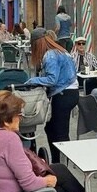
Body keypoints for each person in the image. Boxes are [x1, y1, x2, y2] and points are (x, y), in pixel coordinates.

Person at [26, 28, 79, 164]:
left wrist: (32, 81)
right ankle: (58, 162)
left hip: (62, 94)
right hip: (70, 92)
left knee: (59, 133)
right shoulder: (61, 51)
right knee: (51, 128)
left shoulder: (50, 55)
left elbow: (52, 80)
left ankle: (60, 165)